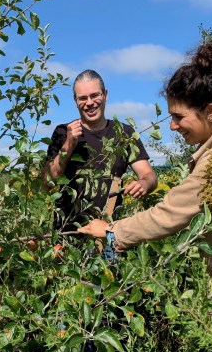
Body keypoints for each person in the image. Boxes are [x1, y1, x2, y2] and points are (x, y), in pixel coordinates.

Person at [78, 38, 212, 284]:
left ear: (210, 112)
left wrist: (111, 232)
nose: (173, 125)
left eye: (179, 116)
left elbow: (169, 214)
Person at [43, 69, 157, 233]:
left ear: (105, 95)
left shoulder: (124, 133)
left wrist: (145, 183)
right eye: (82, 98)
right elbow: (47, 182)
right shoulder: (63, 132)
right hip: (67, 234)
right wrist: (68, 144)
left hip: (109, 233)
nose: (89, 102)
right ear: (75, 101)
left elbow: (149, 175)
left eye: (95, 95)